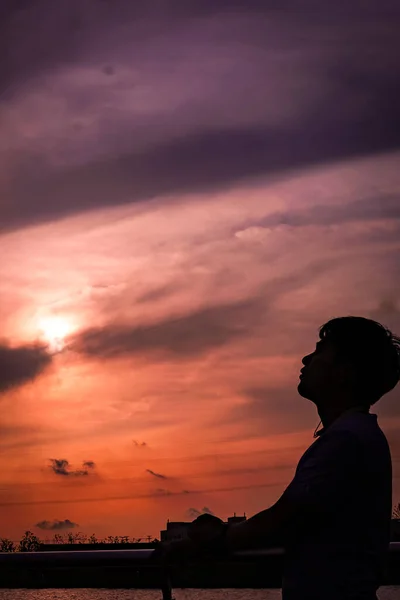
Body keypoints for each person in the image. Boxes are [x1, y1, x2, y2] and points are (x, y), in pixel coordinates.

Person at [153, 316, 400, 599]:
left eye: (320, 351)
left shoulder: (346, 441)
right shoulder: (357, 436)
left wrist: (214, 538)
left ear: (344, 371)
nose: (307, 358)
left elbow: (283, 520)